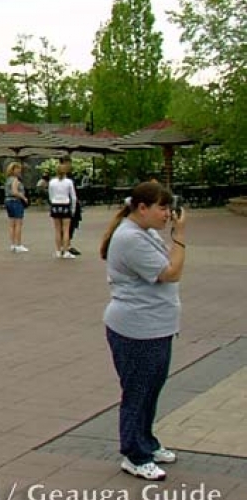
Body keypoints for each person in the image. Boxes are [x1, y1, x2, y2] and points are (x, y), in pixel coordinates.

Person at [100, 181, 187, 481]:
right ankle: (134, 454)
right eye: (162, 208)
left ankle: (146, 441)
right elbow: (170, 272)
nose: (168, 214)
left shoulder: (145, 232)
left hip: (156, 326)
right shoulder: (129, 238)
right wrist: (181, 238)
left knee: (152, 389)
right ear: (142, 208)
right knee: (137, 391)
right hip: (135, 329)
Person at [48, 159, 78, 259]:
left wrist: (53, 202)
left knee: (57, 230)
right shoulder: (69, 182)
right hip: (65, 204)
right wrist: (73, 209)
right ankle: (65, 251)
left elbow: (50, 195)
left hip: (55, 205)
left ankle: (57, 250)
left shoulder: (52, 182)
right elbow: (73, 196)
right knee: (66, 230)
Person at [3, 161, 30, 252]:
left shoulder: (8, 180)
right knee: (18, 223)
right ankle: (18, 244)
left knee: (12, 224)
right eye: (17, 169)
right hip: (16, 201)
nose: (19, 171)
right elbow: (15, 191)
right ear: (13, 170)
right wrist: (24, 197)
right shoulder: (15, 180)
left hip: (8, 201)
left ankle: (13, 244)